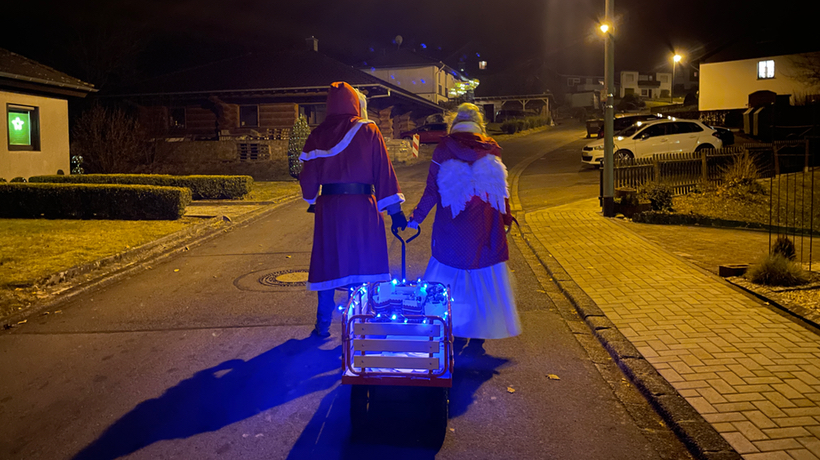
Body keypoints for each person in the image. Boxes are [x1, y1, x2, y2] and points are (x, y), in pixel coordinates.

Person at [407, 103, 521, 349]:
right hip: (485, 226)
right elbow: (502, 191)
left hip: (453, 227)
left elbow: (431, 191)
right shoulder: (492, 149)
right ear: (480, 123)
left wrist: (415, 218)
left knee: (452, 277)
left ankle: (456, 330)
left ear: (454, 122)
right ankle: (480, 332)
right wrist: (506, 219)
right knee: (482, 276)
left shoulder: (444, 149)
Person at [299, 82, 407, 338]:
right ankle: (359, 326)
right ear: (355, 103)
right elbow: (383, 171)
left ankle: (323, 325)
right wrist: (395, 212)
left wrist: (313, 199)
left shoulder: (317, 135)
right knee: (361, 262)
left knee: (329, 262)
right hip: (362, 208)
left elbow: (308, 183)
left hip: (330, 211)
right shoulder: (368, 129)